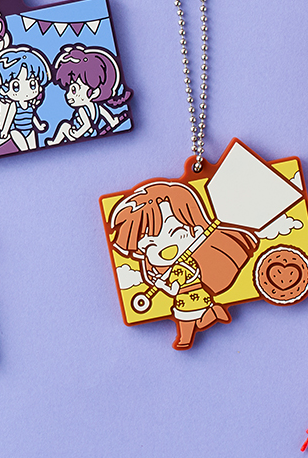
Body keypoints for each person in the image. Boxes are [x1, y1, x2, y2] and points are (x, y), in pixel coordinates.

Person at [108, 181, 258, 350]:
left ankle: (190, 334)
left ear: (197, 229)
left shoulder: (183, 268)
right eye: (150, 245)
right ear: (140, 252)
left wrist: (161, 285)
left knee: (186, 320)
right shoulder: (174, 267)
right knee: (189, 320)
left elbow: (174, 289)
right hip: (188, 300)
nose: (164, 248)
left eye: (176, 232)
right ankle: (207, 317)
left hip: (190, 298)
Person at [46, 45, 130, 144]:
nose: (68, 95)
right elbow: (103, 114)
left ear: (94, 92)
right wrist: (112, 121)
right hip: (87, 133)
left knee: (64, 126)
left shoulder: (82, 109)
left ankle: (55, 142)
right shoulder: (96, 107)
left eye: (74, 90)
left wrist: (77, 134)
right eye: (68, 90)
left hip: (79, 134)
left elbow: (87, 125)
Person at [0, 46, 51, 151]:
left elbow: (33, 116)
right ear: (4, 89)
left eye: (32, 84)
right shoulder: (15, 105)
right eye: (16, 86)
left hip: (30, 129)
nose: (25, 92)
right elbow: (10, 117)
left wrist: (38, 126)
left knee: (33, 149)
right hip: (16, 131)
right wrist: (5, 130)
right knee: (25, 150)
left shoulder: (30, 105)